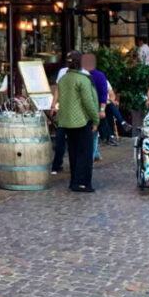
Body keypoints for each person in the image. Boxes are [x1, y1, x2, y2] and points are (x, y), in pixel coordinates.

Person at [56, 51, 100, 192]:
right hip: (82, 120)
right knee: (85, 153)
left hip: (66, 120)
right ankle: (83, 183)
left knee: (73, 152)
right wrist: (96, 119)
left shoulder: (63, 79)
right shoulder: (83, 79)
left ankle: (74, 181)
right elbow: (88, 102)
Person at [81, 53, 113, 158]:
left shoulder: (98, 75)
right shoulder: (81, 75)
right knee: (91, 132)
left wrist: (102, 109)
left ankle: (91, 155)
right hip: (83, 108)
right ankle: (94, 154)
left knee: (93, 132)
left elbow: (104, 93)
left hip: (94, 108)